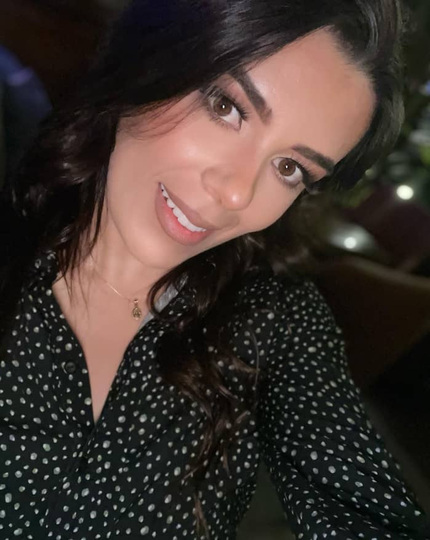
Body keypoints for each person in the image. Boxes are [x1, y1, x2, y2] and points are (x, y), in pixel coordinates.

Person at [0, 0, 429, 538]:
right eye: (228, 107)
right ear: (153, 62)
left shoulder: (276, 325)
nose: (236, 193)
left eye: (289, 168)